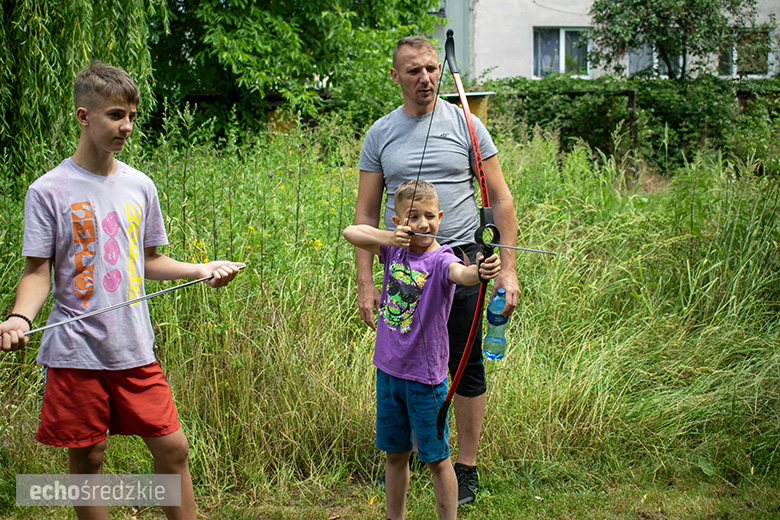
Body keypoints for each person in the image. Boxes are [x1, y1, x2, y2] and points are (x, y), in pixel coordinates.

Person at [0, 61, 244, 520]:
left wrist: (200, 268)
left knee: (173, 449)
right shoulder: (47, 190)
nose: (126, 126)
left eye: (131, 115)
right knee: (88, 458)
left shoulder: (139, 186)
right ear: (83, 116)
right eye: (115, 115)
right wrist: (20, 317)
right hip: (74, 350)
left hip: (134, 347)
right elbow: (38, 272)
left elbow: (148, 261)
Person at [354, 35, 519, 506]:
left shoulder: (466, 125)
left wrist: (505, 270)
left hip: (463, 261)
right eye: (413, 71)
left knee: (465, 365)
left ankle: (463, 467)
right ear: (396, 76)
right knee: (405, 364)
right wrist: (366, 283)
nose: (425, 78)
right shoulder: (381, 134)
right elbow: (365, 215)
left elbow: (501, 197)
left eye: (431, 68)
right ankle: (401, 458)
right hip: (405, 270)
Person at [344, 180, 501, 520]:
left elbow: (464, 274)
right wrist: (388, 237)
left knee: (437, 459)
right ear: (398, 222)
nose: (422, 223)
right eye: (412, 216)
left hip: (425, 380)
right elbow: (350, 232)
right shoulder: (392, 250)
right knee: (395, 455)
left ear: (441, 217)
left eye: (430, 215)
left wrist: (481, 270)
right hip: (388, 373)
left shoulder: (442, 259)